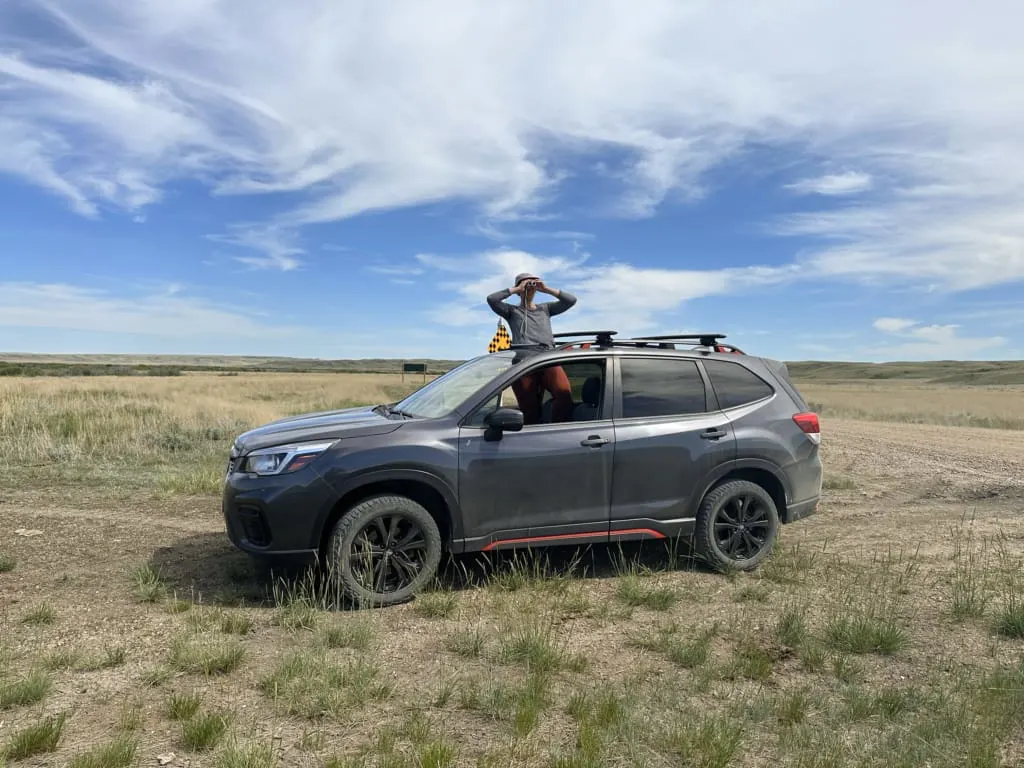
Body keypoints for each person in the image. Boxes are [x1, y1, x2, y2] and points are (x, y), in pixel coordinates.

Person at [486, 273, 578, 425]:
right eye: (526, 283)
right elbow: (492, 299)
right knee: (529, 409)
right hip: (524, 363)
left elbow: (571, 300)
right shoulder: (512, 311)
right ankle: (533, 435)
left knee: (564, 396)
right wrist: (515, 289)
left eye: (533, 283)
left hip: (547, 358)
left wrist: (546, 289)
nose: (530, 286)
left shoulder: (546, 309)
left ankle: (556, 430)